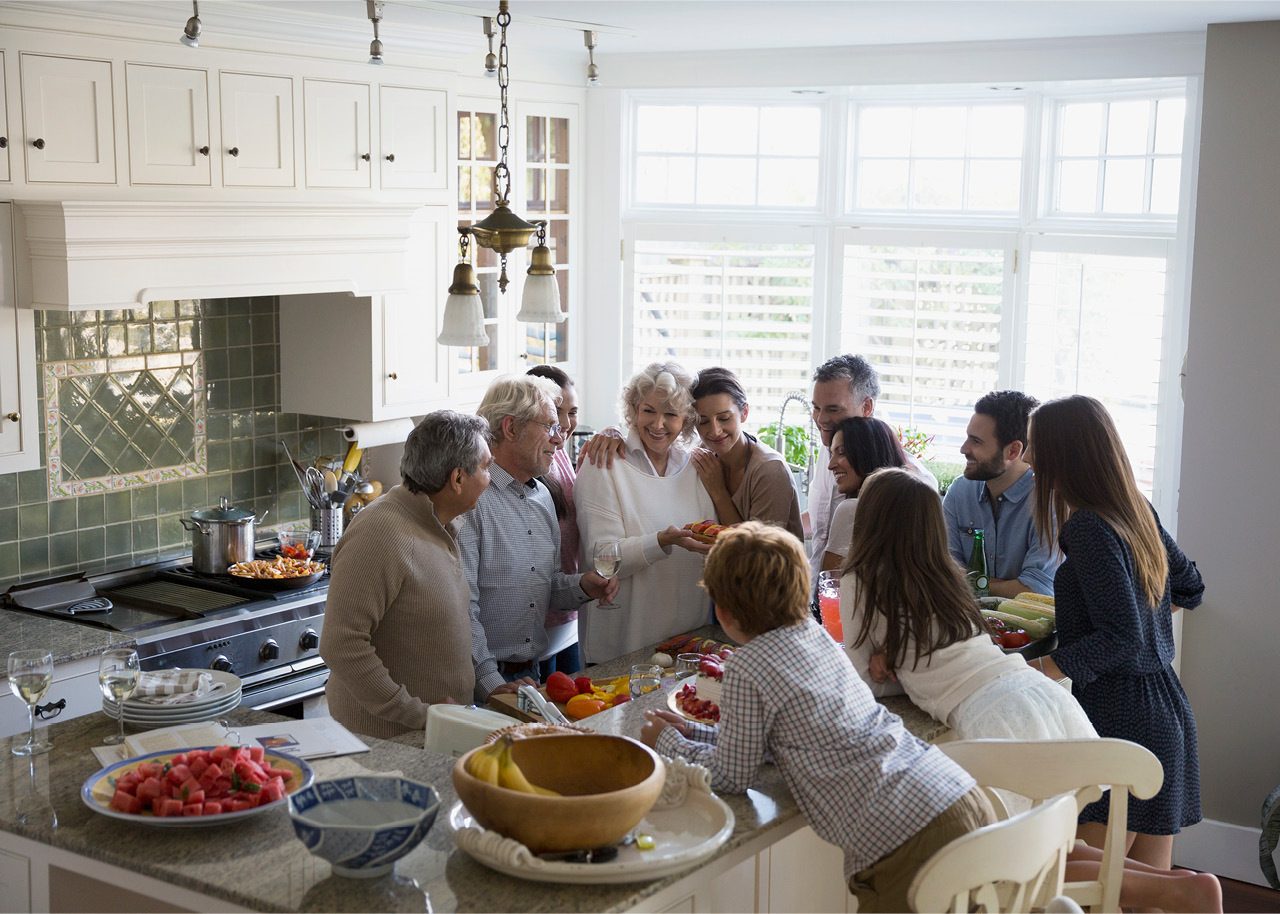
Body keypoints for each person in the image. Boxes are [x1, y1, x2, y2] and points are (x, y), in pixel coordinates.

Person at [639, 521, 995, 913]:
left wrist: (668, 742)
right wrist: (692, 731)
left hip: (908, 839)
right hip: (956, 797)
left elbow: (731, 776)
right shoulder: (818, 636)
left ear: (723, 611)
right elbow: (775, 738)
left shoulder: (748, 665)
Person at [1029, 394, 1205, 871]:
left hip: (1122, 717)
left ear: (1062, 455)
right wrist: (1148, 618)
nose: (1028, 458)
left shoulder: (1088, 526)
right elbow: (1189, 584)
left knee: (1081, 884)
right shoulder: (1134, 510)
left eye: (1035, 447)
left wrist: (1037, 669)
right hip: (1165, 708)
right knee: (1152, 894)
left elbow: (1122, 637)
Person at [840, 467, 1097, 745]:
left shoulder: (859, 577)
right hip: (1038, 692)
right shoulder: (948, 573)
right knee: (1080, 786)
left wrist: (901, 671)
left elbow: (863, 681)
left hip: (989, 714)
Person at [320, 411, 493, 739]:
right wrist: (417, 714)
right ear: (457, 479)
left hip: (433, 733)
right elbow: (341, 644)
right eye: (485, 467)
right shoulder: (380, 532)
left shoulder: (440, 525)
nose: (490, 478)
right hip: (387, 743)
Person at [459, 376, 617, 699]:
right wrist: (491, 683)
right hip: (480, 679)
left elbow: (545, 587)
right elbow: (462, 609)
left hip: (531, 675)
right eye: (550, 426)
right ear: (511, 429)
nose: (560, 440)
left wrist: (584, 586)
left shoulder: (542, 497)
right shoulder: (472, 501)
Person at [573, 361, 717, 663]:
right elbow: (601, 559)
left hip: (688, 642)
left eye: (671, 414)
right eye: (648, 410)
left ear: (687, 419)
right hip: (623, 644)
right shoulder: (605, 464)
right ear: (633, 409)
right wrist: (662, 541)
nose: (658, 424)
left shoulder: (698, 468)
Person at [806, 354, 937, 578]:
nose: (820, 419)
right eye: (816, 408)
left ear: (866, 407)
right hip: (820, 598)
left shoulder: (914, 482)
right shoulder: (828, 450)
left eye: (833, 409)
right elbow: (822, 524)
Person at [943, 390, 1059, 597]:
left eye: (976, 441)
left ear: (1013, 451)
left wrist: (973, 583)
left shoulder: (1049, 501)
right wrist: (1006, 585)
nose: (963, 448)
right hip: (966, 623)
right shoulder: (960, 491)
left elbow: (1036, 590)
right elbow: (942, 572)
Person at [688, 366, 803, 540]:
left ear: (744, 413)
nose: (715, 431)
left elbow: (754, 550)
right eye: (703, 422)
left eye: (724, 418)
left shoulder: (770, 470)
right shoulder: (703, 453)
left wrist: (718, 491)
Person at [527, 364, 583, 678]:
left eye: (572, 412)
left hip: (569, 608)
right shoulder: (534, 458)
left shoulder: (558, 451)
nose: (564, 424)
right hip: (541, 617)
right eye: (556, 413)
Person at [820, 416, 909, 572]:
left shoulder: (852, 510)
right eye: (831, 454)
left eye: (842, 452)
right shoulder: (911, 508)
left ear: (869, 453)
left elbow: (831, 587)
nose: (831, 465)